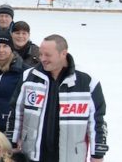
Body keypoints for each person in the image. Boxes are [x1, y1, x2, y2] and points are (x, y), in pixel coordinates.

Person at [8, 34, 107, 162]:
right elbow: (16, 112)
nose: (42, 59)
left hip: (71, 157)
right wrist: (13, 143)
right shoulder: (29, 76)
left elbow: (97, 121)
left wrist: (97, 154)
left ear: (63, 53)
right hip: (33, 155)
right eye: (41, 54)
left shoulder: (87, 81)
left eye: (48, 55)